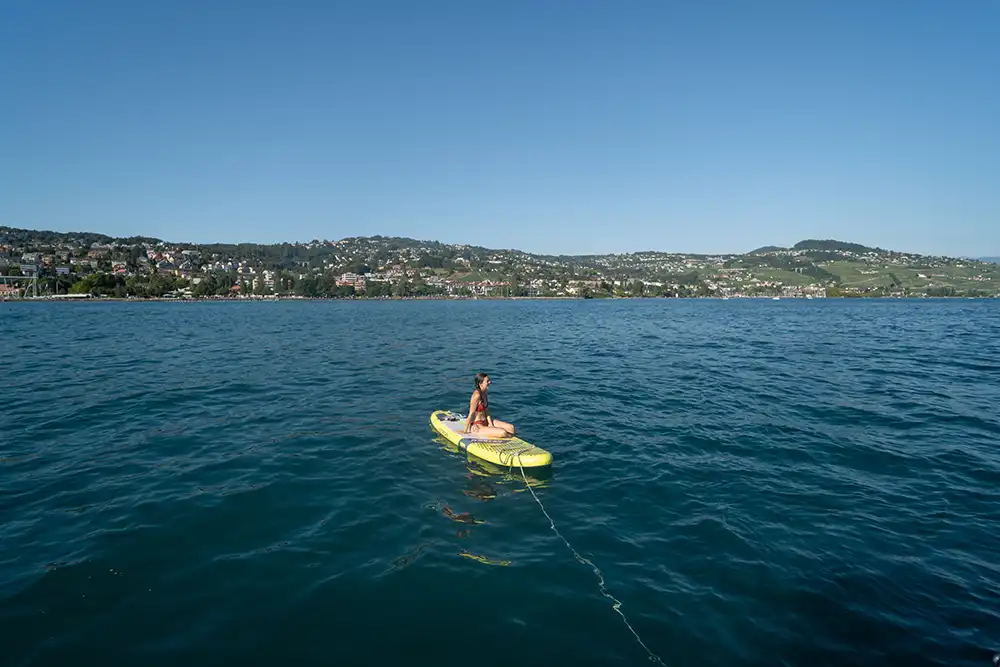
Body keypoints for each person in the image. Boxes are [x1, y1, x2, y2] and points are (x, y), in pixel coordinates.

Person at [463, 372, 516, 437]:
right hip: (477, 425)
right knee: (503, 432)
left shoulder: (485, 392)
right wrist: (464, 431)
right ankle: (507, 437)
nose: (489, 382)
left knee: (511, 428)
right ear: (480, 384)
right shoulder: (476, 395)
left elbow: (487, 410)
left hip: (486, 422)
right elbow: (471, 413)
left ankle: (507, 436)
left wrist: (491, 424)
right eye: (487, 381)